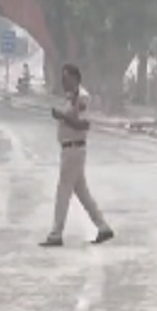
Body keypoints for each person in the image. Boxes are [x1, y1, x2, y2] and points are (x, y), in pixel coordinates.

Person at [41, 64, 114, 247]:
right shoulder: (70, 97)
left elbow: (83, 124)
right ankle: (103, 227)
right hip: (69, 149)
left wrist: (62, 117)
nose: (63, 83)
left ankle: (56, 233)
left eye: (66, 79)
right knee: (82, 193)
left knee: (63, 191)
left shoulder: (82, 98)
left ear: (75, 78)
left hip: (74, 149)